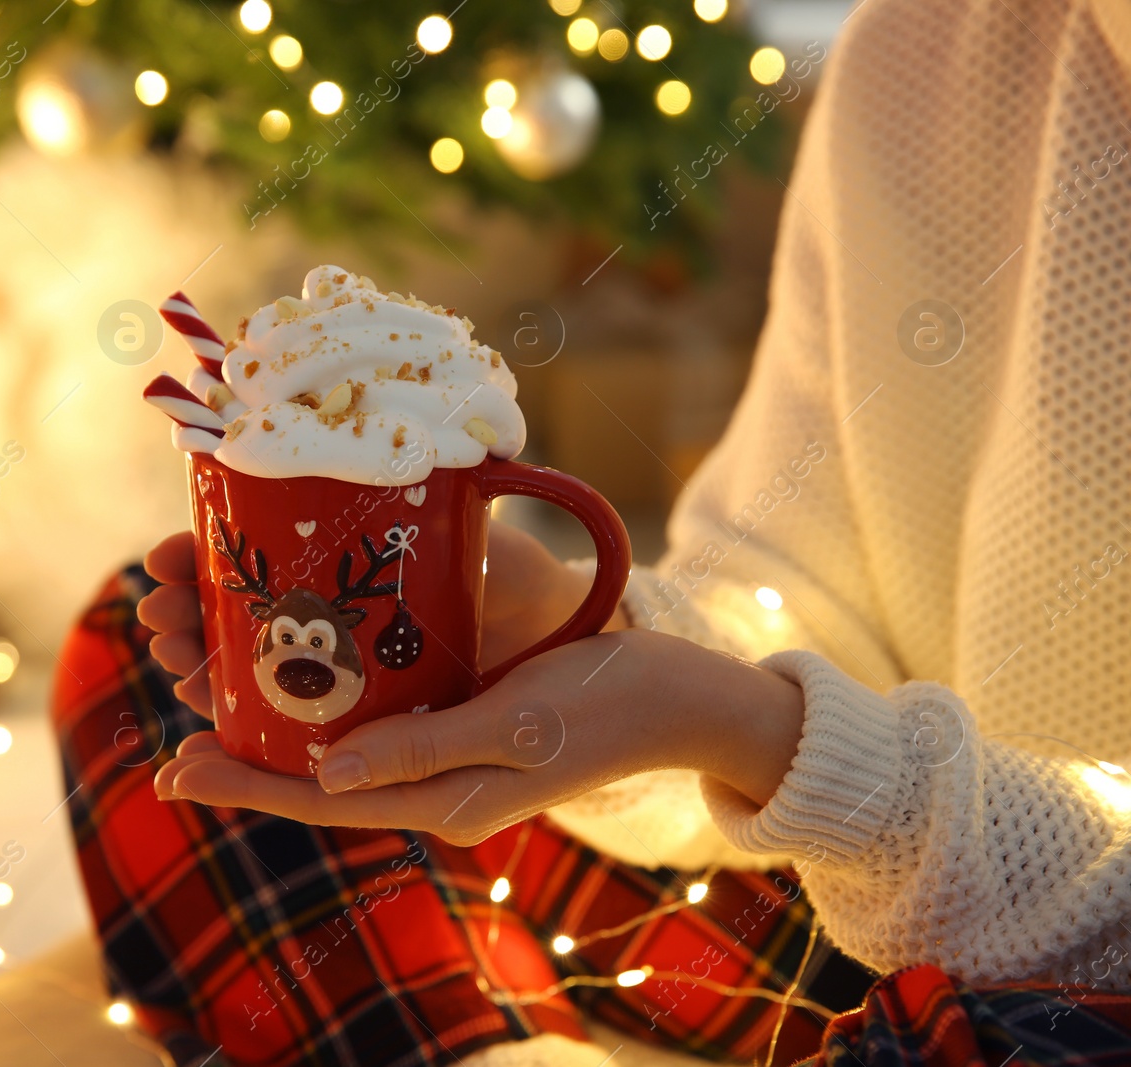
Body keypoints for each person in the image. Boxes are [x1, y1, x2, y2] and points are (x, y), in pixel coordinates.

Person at [65, 0, 1131, 1063]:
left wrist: (755, 731)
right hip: (873, 872)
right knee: (165, 648)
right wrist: (586, 632)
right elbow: (793, 592)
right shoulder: (922, 44)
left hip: (1081, 968)